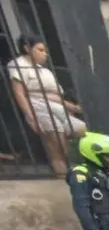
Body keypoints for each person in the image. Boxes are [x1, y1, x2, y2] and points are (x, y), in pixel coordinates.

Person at [7, 34, 86, 174]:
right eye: (40, 50)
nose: (45, 54)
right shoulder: (19, 65)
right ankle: (63, 174)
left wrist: (72, 107)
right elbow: (19, 93)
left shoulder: (45, 70)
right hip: (39, 108)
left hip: (59, 108)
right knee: (56, 141)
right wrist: (31, 117)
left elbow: (57, 95)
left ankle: (76, 170)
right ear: (27, 48)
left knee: (82, 129)